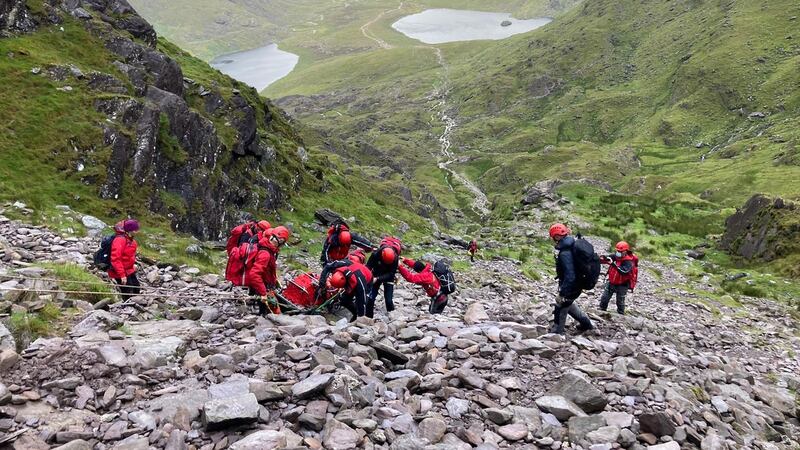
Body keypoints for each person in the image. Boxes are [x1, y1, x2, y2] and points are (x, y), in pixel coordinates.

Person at [549, 223, 594, 334]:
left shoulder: (565, 253)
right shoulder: (572, 244)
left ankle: (557, 332)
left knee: (561, 306)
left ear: (557, 236)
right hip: (578, 283)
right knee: (569, 304)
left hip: (572, 285)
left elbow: (570, 276)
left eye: (553, 237)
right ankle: (586, 324)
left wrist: (562, 293)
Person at [245, 226, 290, 315]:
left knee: (268, 310)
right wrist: (263, 293)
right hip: (263, 288)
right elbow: (254, 274)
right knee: (273, 313)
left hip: (264, 286)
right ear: (280, 240)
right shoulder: (265, 254)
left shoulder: (268, 249)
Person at [321, 252, 373, 321]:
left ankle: (359, 316)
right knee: (344, 300)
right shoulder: (341, 264)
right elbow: (327, 266)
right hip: (353, 274)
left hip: (367, 279)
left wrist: (361, 317)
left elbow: (362, 299)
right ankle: (354, 313)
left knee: (360, 302)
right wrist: (321, 284)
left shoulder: (360, 282)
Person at [366, 237, 402, 317]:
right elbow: (367, 268)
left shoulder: (395, 258)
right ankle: (368, 319)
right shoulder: (375, 254)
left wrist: (378, 279)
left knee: (388, 300)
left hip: (387, 276)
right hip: (376, 274)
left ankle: (393, 318)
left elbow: (391, 273)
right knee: (370, 298)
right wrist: (370, 278)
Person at [599, 241, 637, 315]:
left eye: (620, 251)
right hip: (612, 282)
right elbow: (608, 258)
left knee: (620, 301)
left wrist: (613, 265)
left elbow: (624, 271)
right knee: (605, 297)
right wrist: (603, 258)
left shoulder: (629, 261)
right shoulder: (615, 256)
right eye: (617, 250)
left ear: (625, 251)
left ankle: (620, 313)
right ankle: (602, 309)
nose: (618, 252)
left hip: (622, 284)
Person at [109, 219, 141, 300]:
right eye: (136, 230)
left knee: (136, 287)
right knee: (128, 291)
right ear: (130, 230)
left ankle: (135, 305)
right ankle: (127, 308)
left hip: (129, 269)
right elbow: (116, 258)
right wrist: (122, 275)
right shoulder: (120, 240)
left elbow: (128, 256)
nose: (137, 231)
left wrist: (132, 266)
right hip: (119, 271)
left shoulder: (132, 241)